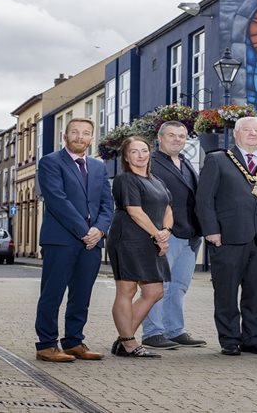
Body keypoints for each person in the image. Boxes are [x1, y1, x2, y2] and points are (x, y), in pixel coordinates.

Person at [196, 116, 257, 356]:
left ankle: (253, 339)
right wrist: (211, 231)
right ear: (236, 134)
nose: (252, 134)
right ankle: (229, 339)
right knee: (226, 291)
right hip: (228, 237)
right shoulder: (217, 160)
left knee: (256, 292)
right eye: (246, 130)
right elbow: (205, 200)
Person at [34, 118, 113, 363]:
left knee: (81, 295)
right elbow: (57, 201)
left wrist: (99, 230)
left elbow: (107, 204)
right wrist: (84, 231)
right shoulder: (50, 162)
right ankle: (46, 345)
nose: (80, 137)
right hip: (61, 240)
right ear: (65, 135)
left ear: (92, 138)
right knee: (52, 293)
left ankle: (74, 342)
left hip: (91, 242)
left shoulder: (98, 167)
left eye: (86, 133)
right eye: (75, 132)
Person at [140, 122, 206, 350]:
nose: (177, 139)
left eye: (182, 136)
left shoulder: (186, 163)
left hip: (191, 234)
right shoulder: (151, 163)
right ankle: (153, 332)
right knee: (160, 286)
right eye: (172, 135)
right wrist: (156, 231)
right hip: (165, 234)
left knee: (179, 285)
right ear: (160, 138)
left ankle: (174, 329)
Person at [107, 135, 174, 358]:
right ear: (126, 156)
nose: (140, 156)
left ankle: (124, 338)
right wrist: (158, 236)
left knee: (155, 291)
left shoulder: (156, 181)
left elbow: (167, 208)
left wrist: (166, 232)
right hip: (128, 238)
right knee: (127, 289)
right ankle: (128, 342)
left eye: (144, 150)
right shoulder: (125, 179)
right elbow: (135, 212)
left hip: (153, 238)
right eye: (134, 152)